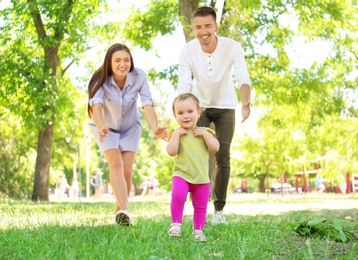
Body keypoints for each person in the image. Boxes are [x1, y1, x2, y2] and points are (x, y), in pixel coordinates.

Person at [177, 6, 252, 225]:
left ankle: (219, 211)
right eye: (198, 27)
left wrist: (245, 102)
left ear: (215, 27)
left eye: (208, 26)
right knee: (196, 154)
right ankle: (198, 209)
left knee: (222, 155)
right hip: (199, 106)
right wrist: (182, 111)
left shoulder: (232, 47)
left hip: (226, 106)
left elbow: (242, 75)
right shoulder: (187, 50)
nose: (203, 31)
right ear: (193, 29)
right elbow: (184, 81)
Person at [87, 43, 168, 226]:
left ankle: (119, 211)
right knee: (115, 162)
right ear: (109, 62)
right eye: (117, 60)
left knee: (127, 170)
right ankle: (125, 211)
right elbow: (96, 106)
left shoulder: (139, 76)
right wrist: (100, 127)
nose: (122, 64)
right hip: (105, 127)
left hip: (131, 126)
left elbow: (147, 102)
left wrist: (154, 127)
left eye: (126, 60)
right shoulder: (99, 79)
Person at [166, 93, 220, 242]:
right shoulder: (176, 133)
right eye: (180, 113)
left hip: (201, 178)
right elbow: (171, 151)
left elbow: (215, 147)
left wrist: (204, 134)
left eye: (190, 111)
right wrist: (176, 135)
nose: (186, 116)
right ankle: (176, 224)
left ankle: (198, 230)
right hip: (181, 175)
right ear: (175, 116)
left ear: (198, 112)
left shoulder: (205, 132)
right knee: (178, 195)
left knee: (201, 206)